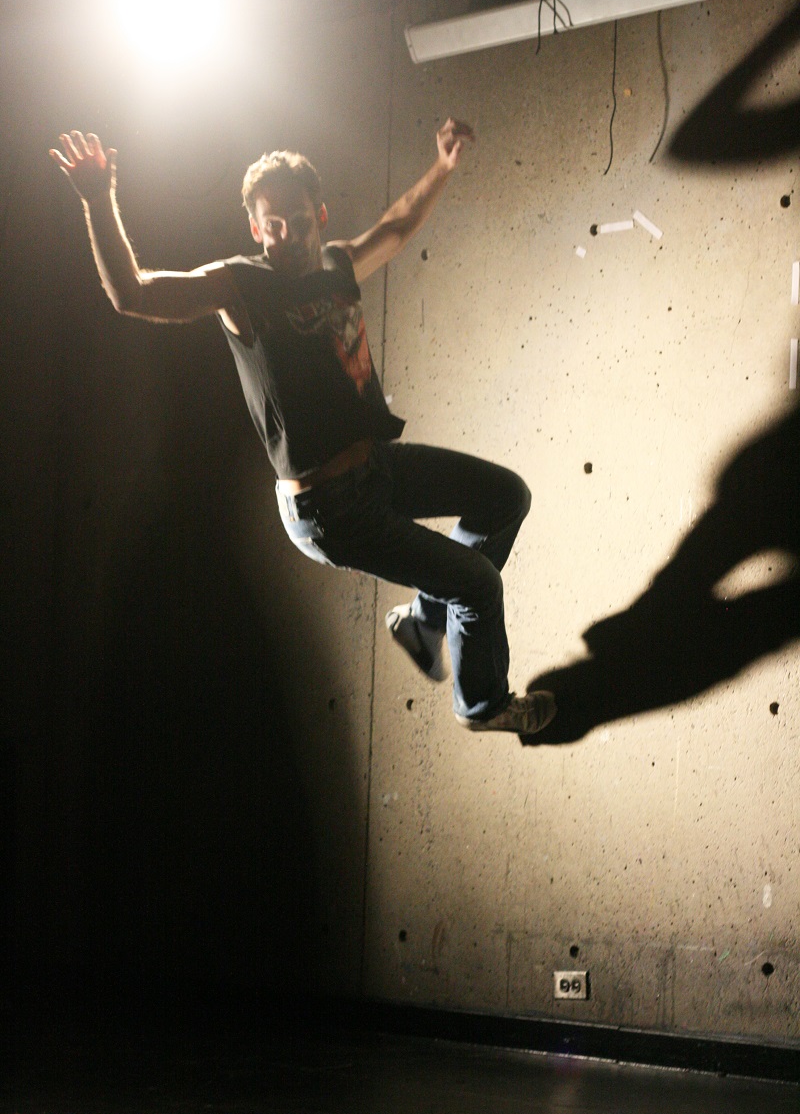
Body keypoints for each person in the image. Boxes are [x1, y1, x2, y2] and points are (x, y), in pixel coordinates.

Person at [49, 123, 556, 734]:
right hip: (329, 510)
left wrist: (442, 168)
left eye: (295, 220)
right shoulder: (241, 288)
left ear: (318, 214)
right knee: (477, 585)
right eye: (270, 225)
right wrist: (97, 198)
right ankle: (484, 705)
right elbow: (133, 294)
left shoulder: (338, 263)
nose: (283, 237)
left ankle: (423, 624)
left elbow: (395, 227)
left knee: (506, 498)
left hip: (375, 469)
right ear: (255, 229)